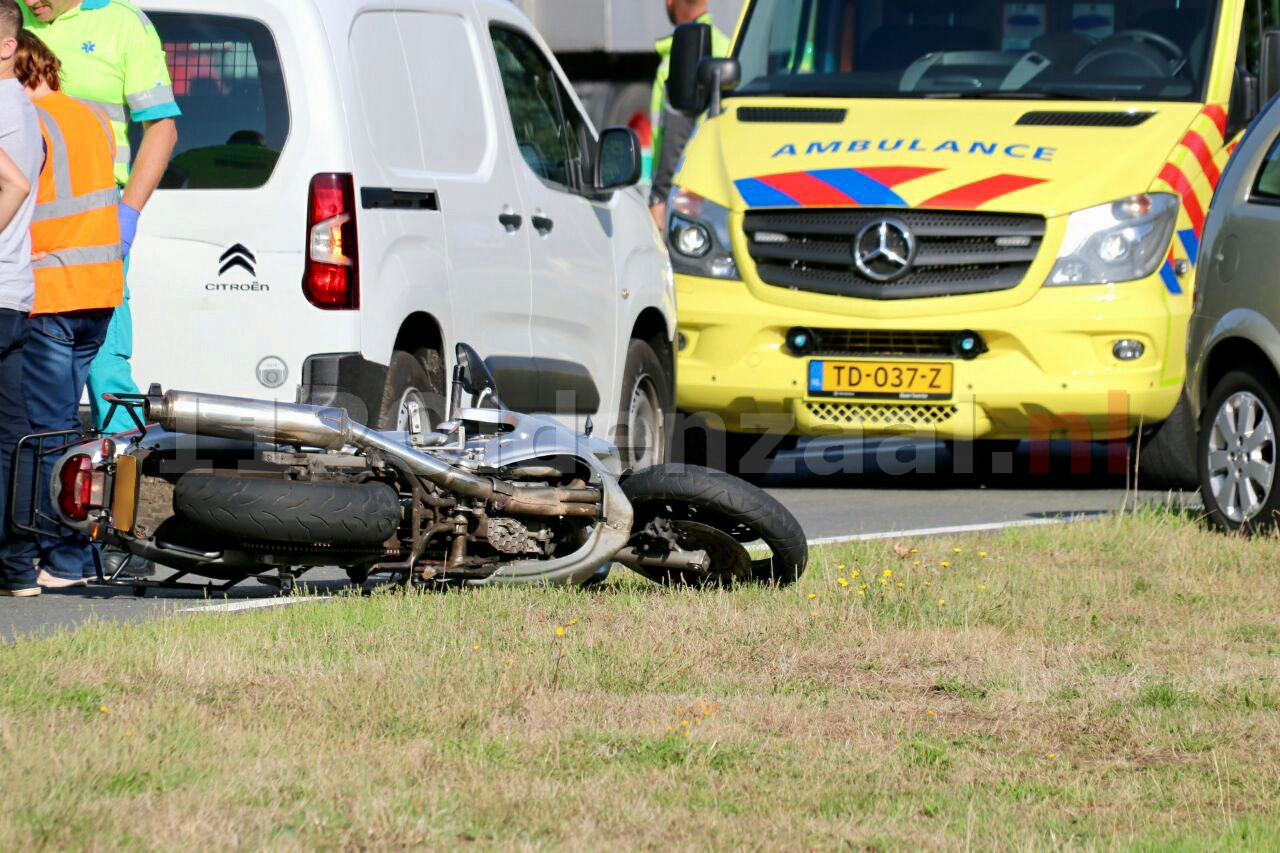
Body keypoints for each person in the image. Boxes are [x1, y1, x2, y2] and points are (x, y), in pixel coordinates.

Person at [21, 0, 179, 433]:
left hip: (90, 210)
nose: (32, 2)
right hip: (21, 205)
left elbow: (161, 127)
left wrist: (127, 213)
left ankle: (121, 456)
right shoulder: (11, 16)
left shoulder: (123, 24)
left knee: (103, 349)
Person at [15, 29, 124, 589]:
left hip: (51, 291)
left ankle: (62, 558)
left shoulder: (27, 123)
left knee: (45, 432)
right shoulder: (91, 118)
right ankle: (73, 550)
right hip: (99, 292)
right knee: (67, 427)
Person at [0, 0, 43, 597]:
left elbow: (13, 181)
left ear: (7, 46)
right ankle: (16, 567)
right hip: (14, 288)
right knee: (15, 434)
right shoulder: (26, 108)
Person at [648, 0, 730, 230]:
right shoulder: (727, 45)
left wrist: (659, 197)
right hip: (714, 190)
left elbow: (676, 131)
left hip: (683, 197)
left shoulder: (686, 50)